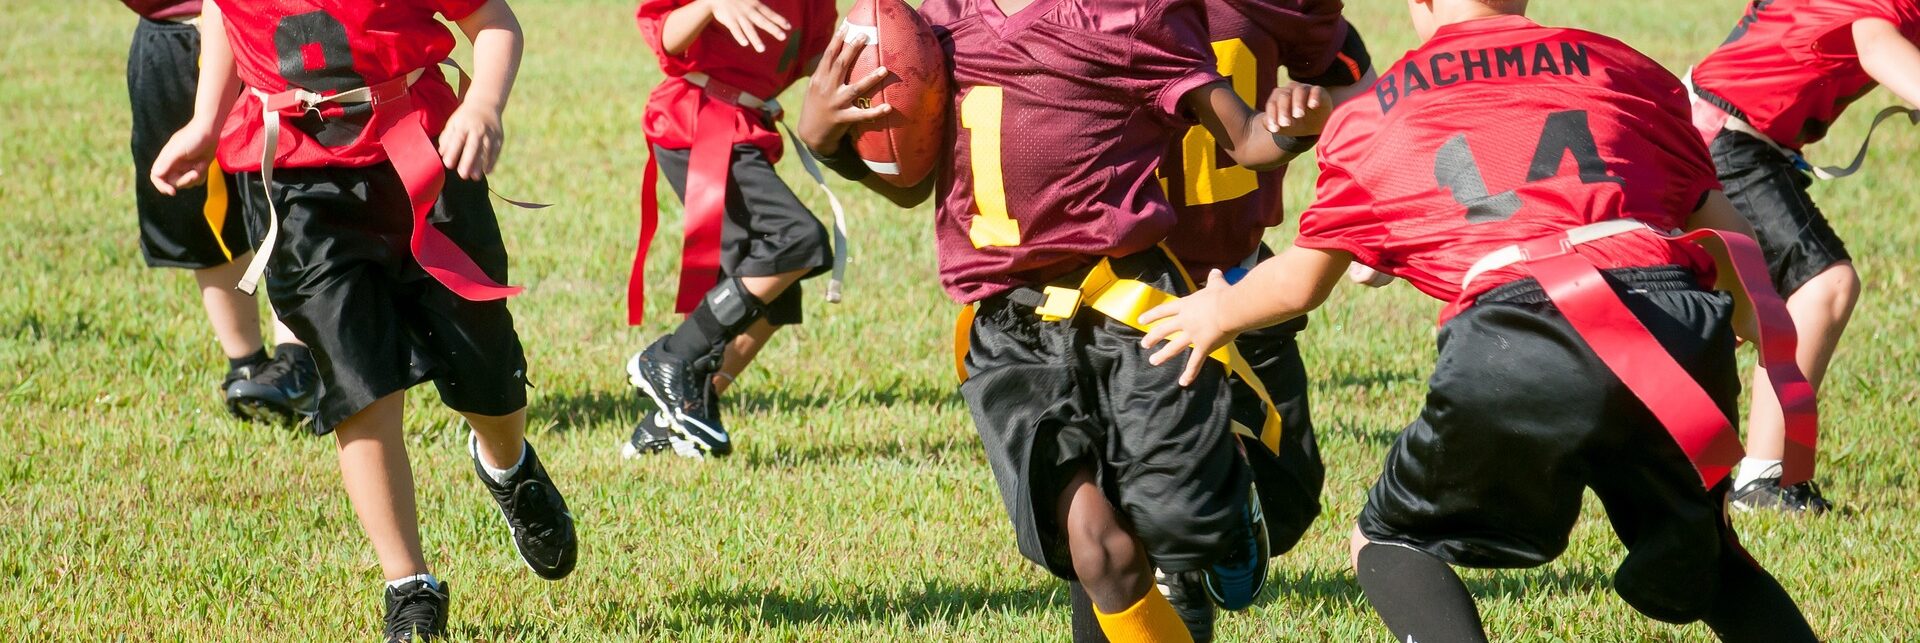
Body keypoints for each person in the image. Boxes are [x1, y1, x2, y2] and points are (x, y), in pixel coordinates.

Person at [1136, 1, 1821, 640]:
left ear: (1420, 3)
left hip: (1515, 334)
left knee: (1389, 541)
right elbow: (1731, 242)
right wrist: (1753, 332)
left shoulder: (1381, 109)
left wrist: (1216, 309)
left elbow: (1301, 281)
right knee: (1718, 566)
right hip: (1669, 327)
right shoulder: (1626, 67)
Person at [798, 0, 1317, 636]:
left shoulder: (1133, 14)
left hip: (1126, 308)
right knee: (1101, 552)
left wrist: (1290, 127)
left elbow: (1248, 141)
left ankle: (1230, 500)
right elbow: (909, 184)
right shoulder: (940, 18)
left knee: (1179, 524)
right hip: (1009, 330)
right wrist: (825, 136)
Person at [147, 1, 577, 639]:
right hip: (296, 184)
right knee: (357, 384)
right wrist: (207, 121)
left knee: (484, 368)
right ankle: (409, 586)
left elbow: (493, 22)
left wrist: (483, 105)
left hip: (420, 156)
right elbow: (222, 8)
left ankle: (506, 464)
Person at [1062, 0, 1376, 638]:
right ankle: (1178, 553)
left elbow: (1356, 81)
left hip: (1237, 275)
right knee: (1126, 511)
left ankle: (1222, 497)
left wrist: (1374, 190)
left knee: (1288, 494)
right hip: (1119, 286)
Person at [1687, 0, 1920, 514]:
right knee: (1822, 287)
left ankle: (1732, 466)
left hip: (1721, 130)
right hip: (1728, 138)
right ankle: (1762, 481)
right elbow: (1876, 41)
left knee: (1744, 310)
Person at [624, 0, 839, 459]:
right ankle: (672, 357)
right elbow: (664, 37)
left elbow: (820, 62)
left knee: (777, 290)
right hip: (698, 123)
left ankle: (675, 416)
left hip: (746, 128)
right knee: (798, 240)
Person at [121, 0, 316, 425]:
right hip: (166, 29)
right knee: (190, 208)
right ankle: (244, 362)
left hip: (264, 27)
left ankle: (298, 359)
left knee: (285, 193)